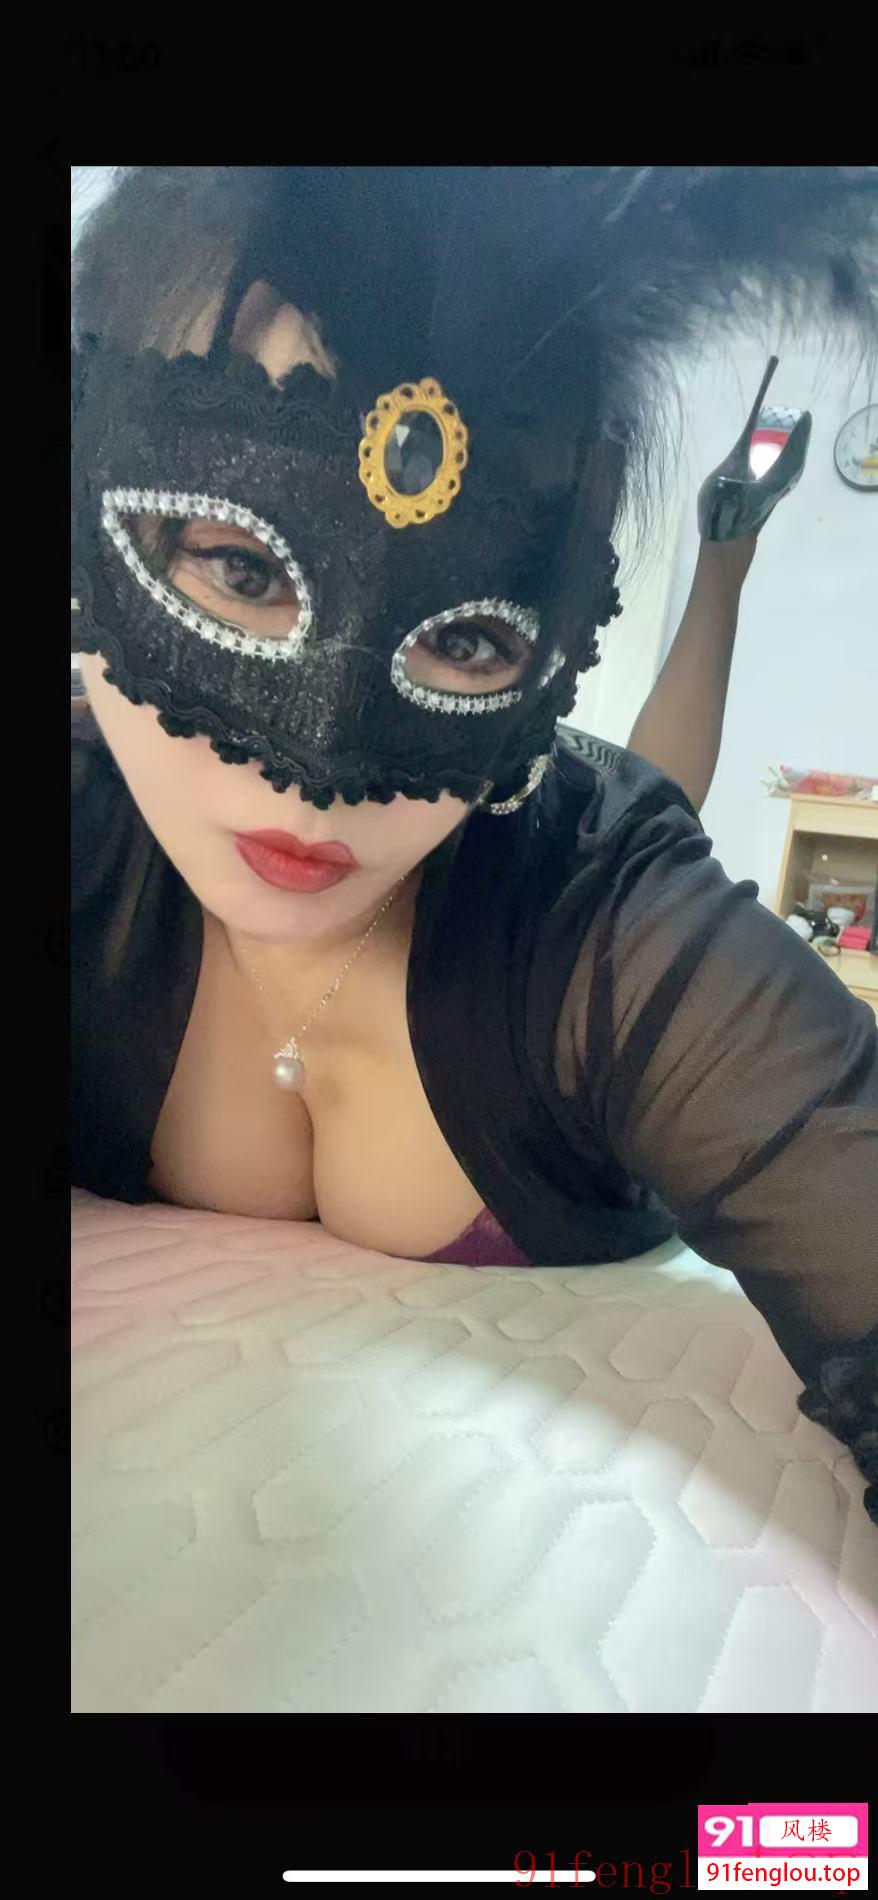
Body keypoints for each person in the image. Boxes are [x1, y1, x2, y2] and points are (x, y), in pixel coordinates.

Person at [71, 167, 877, 1520]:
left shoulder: (612, 916)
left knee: (607, 809)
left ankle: (716, 564)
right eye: (239, 566)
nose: (321, 777)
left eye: (469, 636)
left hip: (557, 862)